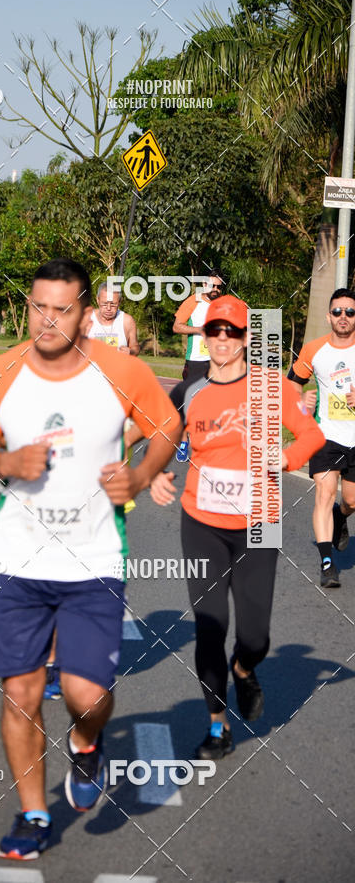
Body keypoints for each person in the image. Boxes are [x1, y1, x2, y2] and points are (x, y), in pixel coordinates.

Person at [0, 257, 181, 860]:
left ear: (85, 313)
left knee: (85, 694)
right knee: (21, 692)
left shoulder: (122, 370)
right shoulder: (1, 370)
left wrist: (139, 476)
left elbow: (167, 424)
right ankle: (33, 813)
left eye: (61, 308)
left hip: (94, 557)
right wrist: (7, 463)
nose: (47, 319)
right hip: (16, 561)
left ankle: (86, 744)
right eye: (38, 306)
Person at [150, 295, 324, 760]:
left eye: (232, 331)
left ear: (247, 338)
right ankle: (217, 726)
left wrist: (285, 458)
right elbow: (162, 436)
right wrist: (156, 472)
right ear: (203, 337)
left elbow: (313, 435)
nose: (222, 339)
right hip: (201, 523)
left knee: (255, 636)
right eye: (214, 331)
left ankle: (245, 670)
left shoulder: (273, 389)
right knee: (211, 626)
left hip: (259, 522)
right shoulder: (188, 391)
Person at [288, 287, 355, 588]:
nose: (344, 317)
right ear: (329, 316)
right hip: (326, 436)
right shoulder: (314, 349)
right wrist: (302, 404)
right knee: (324, 494)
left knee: (351, 500)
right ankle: (327, 563)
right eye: (338, 312)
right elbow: (292, 387)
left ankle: (342, 517)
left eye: (350, 312)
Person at [172, 269, 225, 462]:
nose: (215, 289)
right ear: (204, 284)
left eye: (219, 287)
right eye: (212, 285)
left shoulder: (226, 305)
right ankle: (184, 442)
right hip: (195, 360)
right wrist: (199, 330)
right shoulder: (193, 301)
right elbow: (177, 326)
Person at [85, 282, 139, 354]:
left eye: (113, 304)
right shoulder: (86, 318)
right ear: (98, 300)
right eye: (104, 303)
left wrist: (131, 352)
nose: (108, 308)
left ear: (119, 302)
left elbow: (135, 346)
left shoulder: (127, 321)